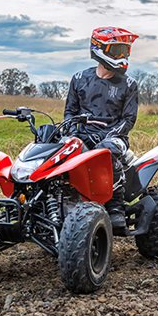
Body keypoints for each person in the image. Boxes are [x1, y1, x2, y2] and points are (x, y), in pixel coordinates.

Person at [64, 26, 139, 229]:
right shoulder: (79, 79)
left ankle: (115, 208)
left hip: (115, 137)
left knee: (107, 150)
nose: (122, 55)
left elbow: (128, 120)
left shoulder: (129, 84)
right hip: (82, 134)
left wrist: (105, 135)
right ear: (99, 50)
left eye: (125, 51)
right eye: (117, 51)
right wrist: (72, 134)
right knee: (59, 147)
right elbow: (69, 113)